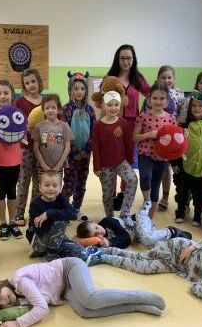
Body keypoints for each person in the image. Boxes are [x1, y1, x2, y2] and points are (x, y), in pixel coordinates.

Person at [0, 257, 166, 327]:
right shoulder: (17, 296)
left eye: (0, 297)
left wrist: (18, 323)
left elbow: (42, 309)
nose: (5, 303)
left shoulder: (19, 281)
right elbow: (44, 299)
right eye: (0, 307)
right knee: (85, 311)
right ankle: (136, 307)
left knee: (90, 298)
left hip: (69, 268)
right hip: (64, 289)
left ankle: (141, 296)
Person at [96, 238, 202, 312]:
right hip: (178, 248)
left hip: (175, 266)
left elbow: (195, 288)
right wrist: (192, 247)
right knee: (142, 256)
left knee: (142, 268)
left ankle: (103, 258)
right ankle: (107, 250)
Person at [106, 44, 150, 208]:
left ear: (133, 59)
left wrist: (146, 115)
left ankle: (124, 193)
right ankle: (110, 193)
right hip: (112, 123)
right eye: (122, 58)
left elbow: (152, 95)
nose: (126, 61)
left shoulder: (138, 79)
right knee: (112, 159)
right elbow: (100, 100)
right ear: (117, 59)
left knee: (128, 160)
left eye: (129, 58)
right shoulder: (110, 78)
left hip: (132, 125)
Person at [91, 91, 138, 227]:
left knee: (133, 179)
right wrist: (97, 167)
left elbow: (128, 143)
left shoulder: (123, 123)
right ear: (103, 106)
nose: (113, 108)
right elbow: (96, 147)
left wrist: (130, 160)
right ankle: (110, 218)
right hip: (105, 166)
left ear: (120, 106)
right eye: (109, 105)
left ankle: (125, 214)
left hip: (121, 162)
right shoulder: (98, 126)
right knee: (107, 194)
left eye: (116, 105)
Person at [0, 79, 23, 241]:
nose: (2, 96)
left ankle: (12, 222)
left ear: (12, 94)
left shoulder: (18, 114)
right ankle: (2, 223)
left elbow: (22, 136)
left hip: (15, 159)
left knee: (12, 191)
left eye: (6, 93)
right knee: (0, 191)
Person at [173, 93, 202, 226]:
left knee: (200, 193)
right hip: (185, 165)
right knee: (182, 191)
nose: (197, 108)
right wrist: (175, 163)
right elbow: (176, 146)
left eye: (200, 106)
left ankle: (197, 215)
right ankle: (180, 211)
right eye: (194, 106)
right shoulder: (183, 126)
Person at [132, 82, 176, 219]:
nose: (158, 101)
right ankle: (146, 201)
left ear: (167, 101)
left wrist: (183, 135)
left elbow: (175, 138)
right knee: (145, 177)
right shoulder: (143, 116)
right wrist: (148, 135)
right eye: (155, 98)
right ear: (149, 99)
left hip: (161, 157)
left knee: (156, 186)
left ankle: (149, 219)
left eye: (162, 98)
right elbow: (134, 137)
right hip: (145, 153)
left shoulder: (171, 119)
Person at [62, 72, 96, 220]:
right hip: (71, 154)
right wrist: (75, 151)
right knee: (70, 182)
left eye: (82, 89)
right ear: (70, 90)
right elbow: (65, 131)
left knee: (82, 182)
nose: (79, 92)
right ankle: (63, 208)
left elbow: (94, 132)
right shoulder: (66, 109)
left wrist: (87, 149)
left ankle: (76, 208)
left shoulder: (90, 110)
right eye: (76, 89)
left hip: (86, 154)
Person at [153, 66, 186, 212]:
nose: (166, 80)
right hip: (156, 136)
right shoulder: (154, 93)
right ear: (158, 79)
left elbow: (183, 114)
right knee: (157, 167)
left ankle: (166, 197)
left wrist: (179, 129)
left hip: (174, 138)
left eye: (169, 77)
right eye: (163, 77)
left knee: (169, 168)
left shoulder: (179, 94)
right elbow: (146, 112)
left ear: (173, 78)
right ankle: (152, 196)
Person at [14, 68, 44, 227]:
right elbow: (15, 123)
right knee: (23, 180)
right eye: (27, 83)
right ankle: (19, 212)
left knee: (39, 181)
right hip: (25, 147)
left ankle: (34, 211)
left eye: (33, 81)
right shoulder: (20, 102)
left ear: (39, 82)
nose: (31, 85)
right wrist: (24, 129)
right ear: (24, 86)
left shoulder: (46, 101)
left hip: (43, 148)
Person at [26, 170, 77, 261]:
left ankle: (45, 251)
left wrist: (49, 214)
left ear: (60, 187)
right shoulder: (35, 204)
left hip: (54, 239)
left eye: (55, 185)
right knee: (61, 220)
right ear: (40, 187)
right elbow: (39, 228)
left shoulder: (61, 198)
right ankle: (49, 255)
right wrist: (58, 215)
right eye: (47, 185)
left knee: (78, 252)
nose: (51, 188)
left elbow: (73, 215)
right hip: (39, 238)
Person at [75, 213, 191, 250]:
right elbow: (76, 240)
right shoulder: (98, 240)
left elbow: (125, 238)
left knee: (147, 238)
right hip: (138, 237)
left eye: (96, 228)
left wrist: (110, 243)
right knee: (158, 249)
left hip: (139, 221)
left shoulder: (108, 221)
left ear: (95, 222)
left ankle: (172, 231)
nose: (99, 233)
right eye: (95, 234)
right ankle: (178, 239)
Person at [33, 94, 73, 179]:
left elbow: (67, 148)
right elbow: (35, 148)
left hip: (58, 167)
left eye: (53, 107)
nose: (50, 110)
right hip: (42, 167)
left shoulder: (64, 126)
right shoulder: (39, 126)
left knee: (56, 186)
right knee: (43, 186)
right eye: (47, 108)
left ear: (58, 110)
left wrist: (58, 165)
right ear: (43, 110)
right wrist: (43, 165)